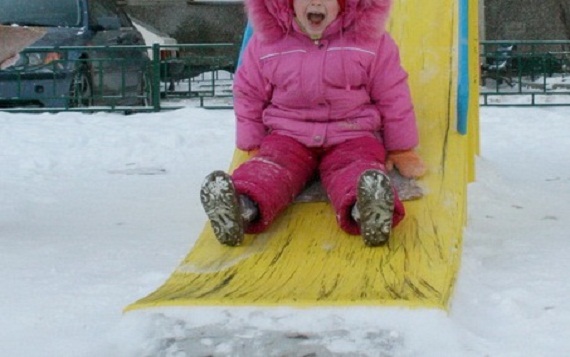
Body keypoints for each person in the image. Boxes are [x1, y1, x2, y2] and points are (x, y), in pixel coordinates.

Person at [200, 0, 426, 247]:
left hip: (352, 133)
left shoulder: (370, 43)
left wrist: (400, 148)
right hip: (289, 134)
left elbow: (393, 95)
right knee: (273, 166)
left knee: (357, 167)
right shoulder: (268, 44)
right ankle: (241, 205)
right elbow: (248, 93)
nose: (315, 2)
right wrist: (253, 143)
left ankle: (367, 208)